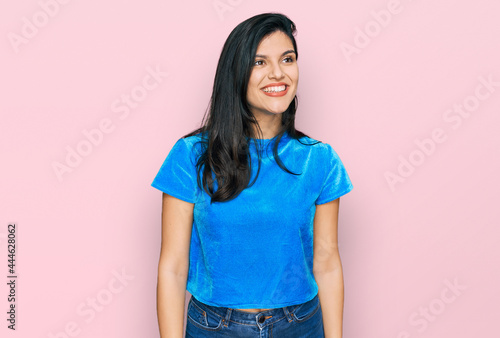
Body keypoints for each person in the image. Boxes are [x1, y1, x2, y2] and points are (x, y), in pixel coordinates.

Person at [151, 12, 353, 338]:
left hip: (300, 325)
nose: (278, 73)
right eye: (260, 63)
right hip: (215, 327)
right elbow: (173, 267)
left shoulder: (319, 159)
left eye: (287, 59)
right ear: (237, 73)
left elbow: (327, 261)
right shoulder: (191, 156)